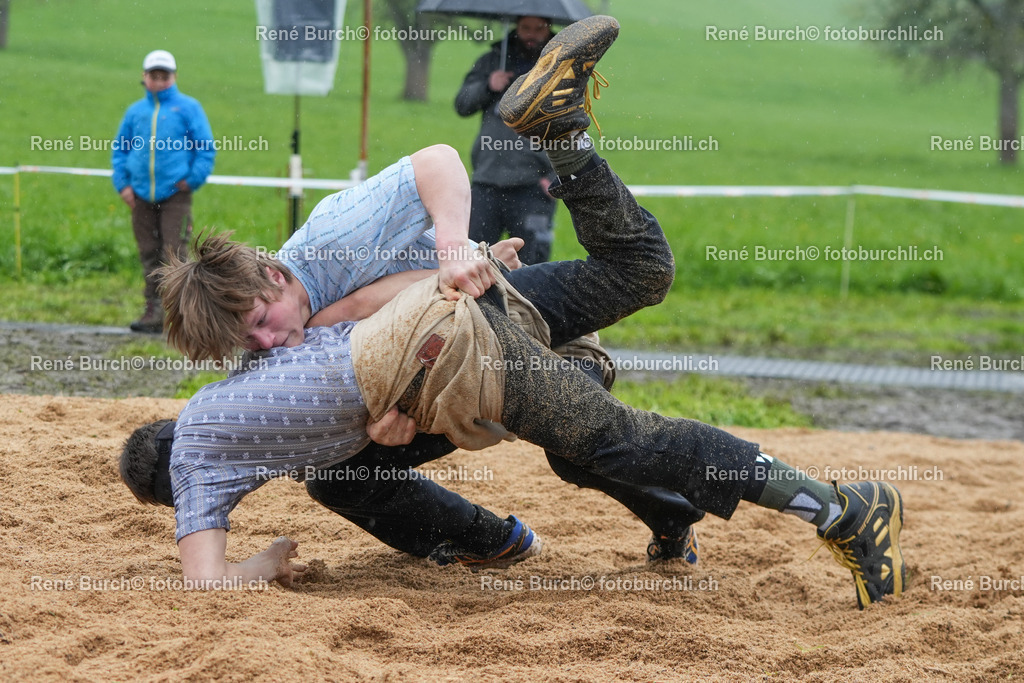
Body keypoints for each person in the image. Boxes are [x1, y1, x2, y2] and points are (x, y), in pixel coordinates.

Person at [121, 16, 905, 610]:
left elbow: (434, 160)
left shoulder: (329, 236)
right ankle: (500, 539)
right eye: (250, 343)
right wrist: (382, 409)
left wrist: (460, 249)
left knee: (624, 336)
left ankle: (562, 139)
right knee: (367, 474)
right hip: (464, 326)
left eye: (262, 321)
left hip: (476, 312)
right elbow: (338, 360)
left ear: (268, 267)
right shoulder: (259, 355)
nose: (269, 340)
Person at [112, 49, 215, 334]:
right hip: (141, 196)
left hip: (176, 196)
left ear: (174, 77)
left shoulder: (189, 108)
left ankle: (181, 316)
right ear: (144, 78)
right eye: (153, 76)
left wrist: (191, 180)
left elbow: (205, 148)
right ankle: (153, 311)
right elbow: (120, 149)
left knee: (175, 253)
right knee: (148, 252)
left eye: (164, 76)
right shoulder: (135, 112)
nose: (158, 81)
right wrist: (124, 185)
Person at [456, 16, 559, 264]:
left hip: (534, 187)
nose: (531, 34)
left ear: (549, 30)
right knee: (473, 263)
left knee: (532, 267)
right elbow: (462, 104)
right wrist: (489, 85)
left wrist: (557, 179)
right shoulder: (492, 60)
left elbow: (575, 122)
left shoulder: (560, 67)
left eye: (538, 28)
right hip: (486, 183)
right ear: (515, 26)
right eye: (525, 28)